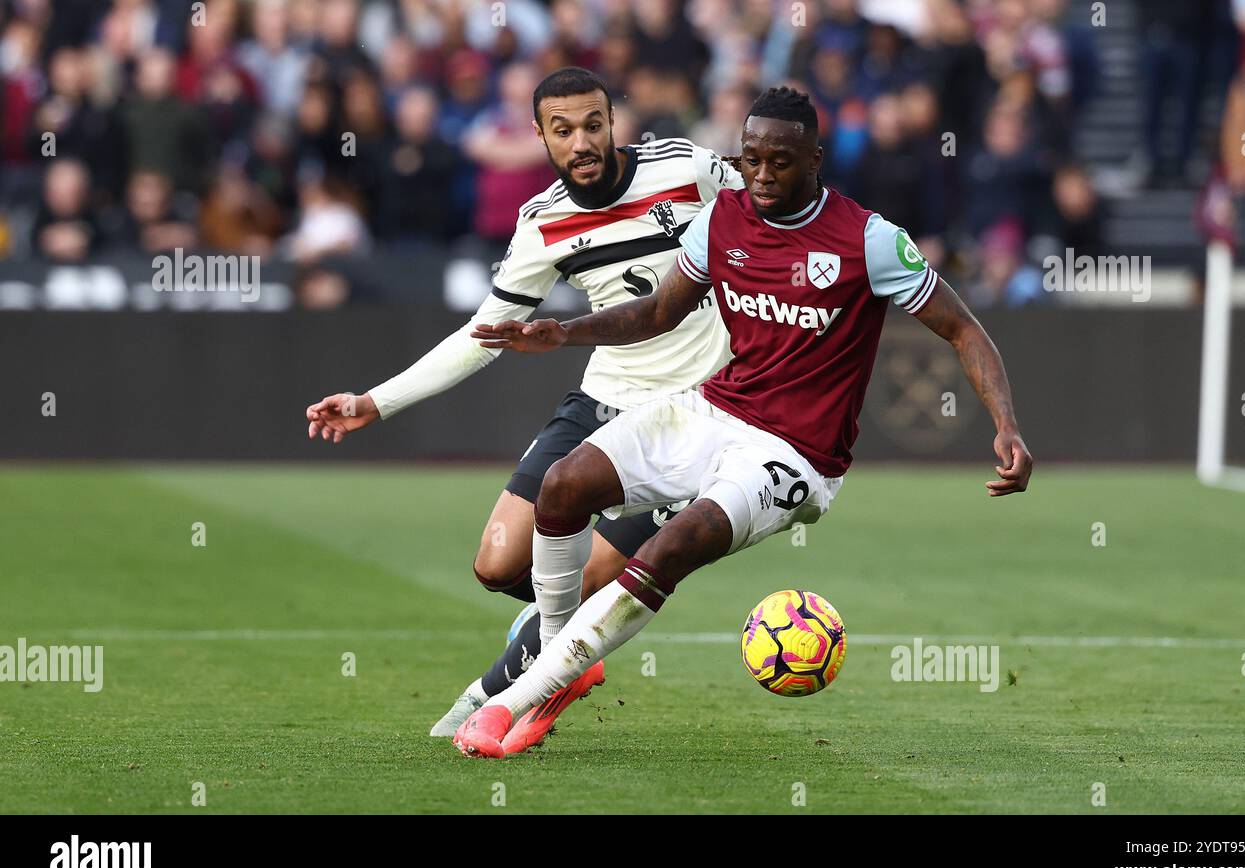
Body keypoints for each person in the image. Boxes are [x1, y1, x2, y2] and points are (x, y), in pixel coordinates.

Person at [457, 86, 1033, 758]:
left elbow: (963, 328)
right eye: (751, 158)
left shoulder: (868, 240)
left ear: (816, 158)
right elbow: (655, 314)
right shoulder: (720, 219)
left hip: (796, 457)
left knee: (671, 546)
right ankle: (561, 663)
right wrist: (565, 332)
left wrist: (1007, 426)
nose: (761, 175)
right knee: (562, 485)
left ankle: (513, 701)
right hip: (714, 408)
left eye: (779, 162)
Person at [304, 67, 742, 745]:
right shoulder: (543, 224)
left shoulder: (688, 169)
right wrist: (374, 401)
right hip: (605, 399)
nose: (581, 142)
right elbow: (482, 337)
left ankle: (496, 693)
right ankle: (561, 641)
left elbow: (780, 207)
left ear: (612, 123)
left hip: (691, 418)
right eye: (562, 130)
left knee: (590, 576)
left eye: (593, 125)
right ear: (538, 135)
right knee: (496, 562)